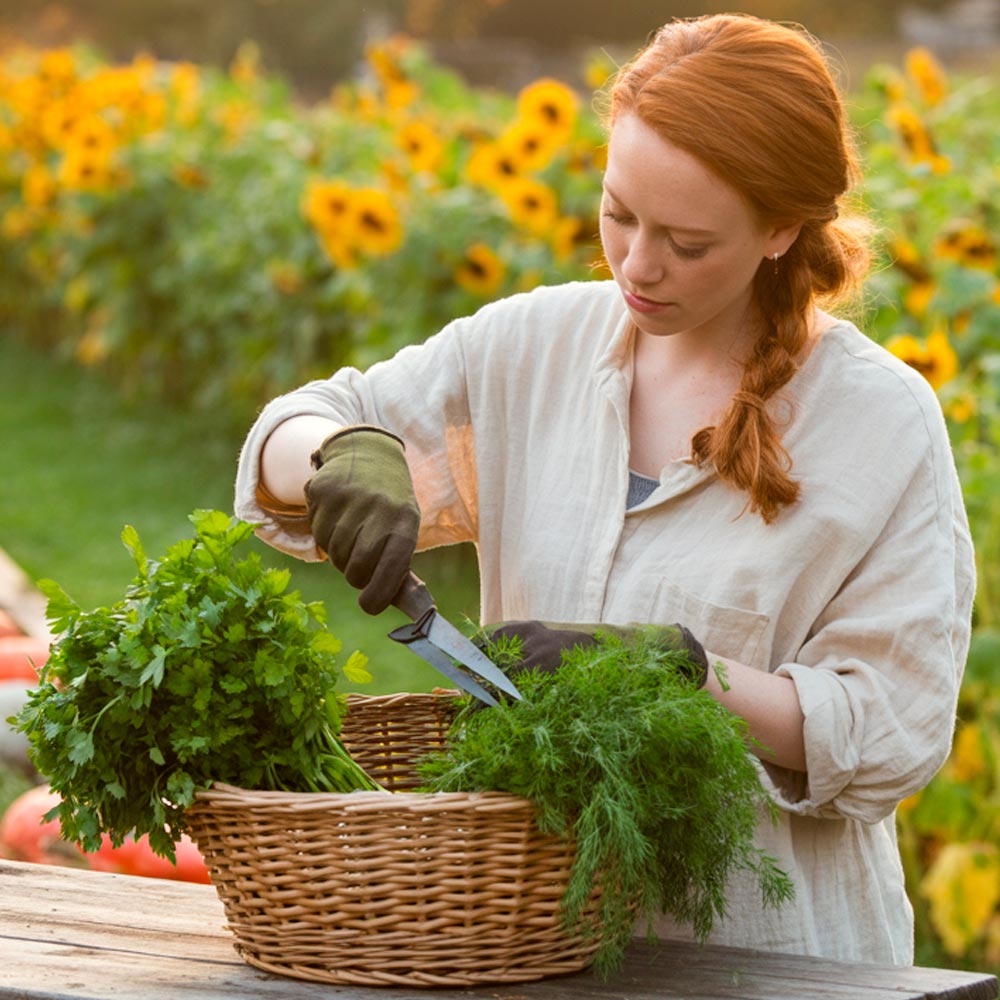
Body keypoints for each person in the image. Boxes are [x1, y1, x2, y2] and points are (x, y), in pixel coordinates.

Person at [234, 13, 975, 966]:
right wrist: (344, 453)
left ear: (782, 228)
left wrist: (683, 672)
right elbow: (289, 435)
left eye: (687, 241)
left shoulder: (879, 423)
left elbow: (889, 732)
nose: (636, 264)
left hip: (771, 960)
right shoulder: (533, 348)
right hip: (528, 945)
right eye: (619, 213)